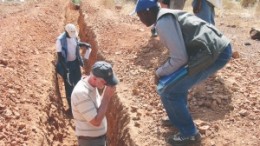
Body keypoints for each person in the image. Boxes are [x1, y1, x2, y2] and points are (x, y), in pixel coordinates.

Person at [131, 0, 232, 146]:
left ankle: (189, 134)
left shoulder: (163, 22)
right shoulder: (165, 16)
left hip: (214, 53)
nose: (139, 19)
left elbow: (179, 58)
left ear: (147, 11)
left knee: (169, 91)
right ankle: (176, 117)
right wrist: (166, 70)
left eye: (139, 15)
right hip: (212, 49)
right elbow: (180, 55)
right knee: (174, 84)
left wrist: (159, 72)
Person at [71, 61, 118, 146]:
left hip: (97, 139)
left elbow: (97, 107)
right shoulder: (81, 93)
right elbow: (96, 122)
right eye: (105, 82)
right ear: (94, 78)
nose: (107, 84)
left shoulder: (92, 86)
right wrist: (107, 96)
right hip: (90, 142)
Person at [55, 23, 91, 112]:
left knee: (78, 83)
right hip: (66, 65)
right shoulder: (60, 41)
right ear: (66, 31)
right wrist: (66, 70)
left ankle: (79, 105)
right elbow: (60, 57)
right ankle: (72, 109)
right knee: (69, 86)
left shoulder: (74, 35)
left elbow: (76, 44)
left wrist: (84, 44)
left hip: (75, 63)